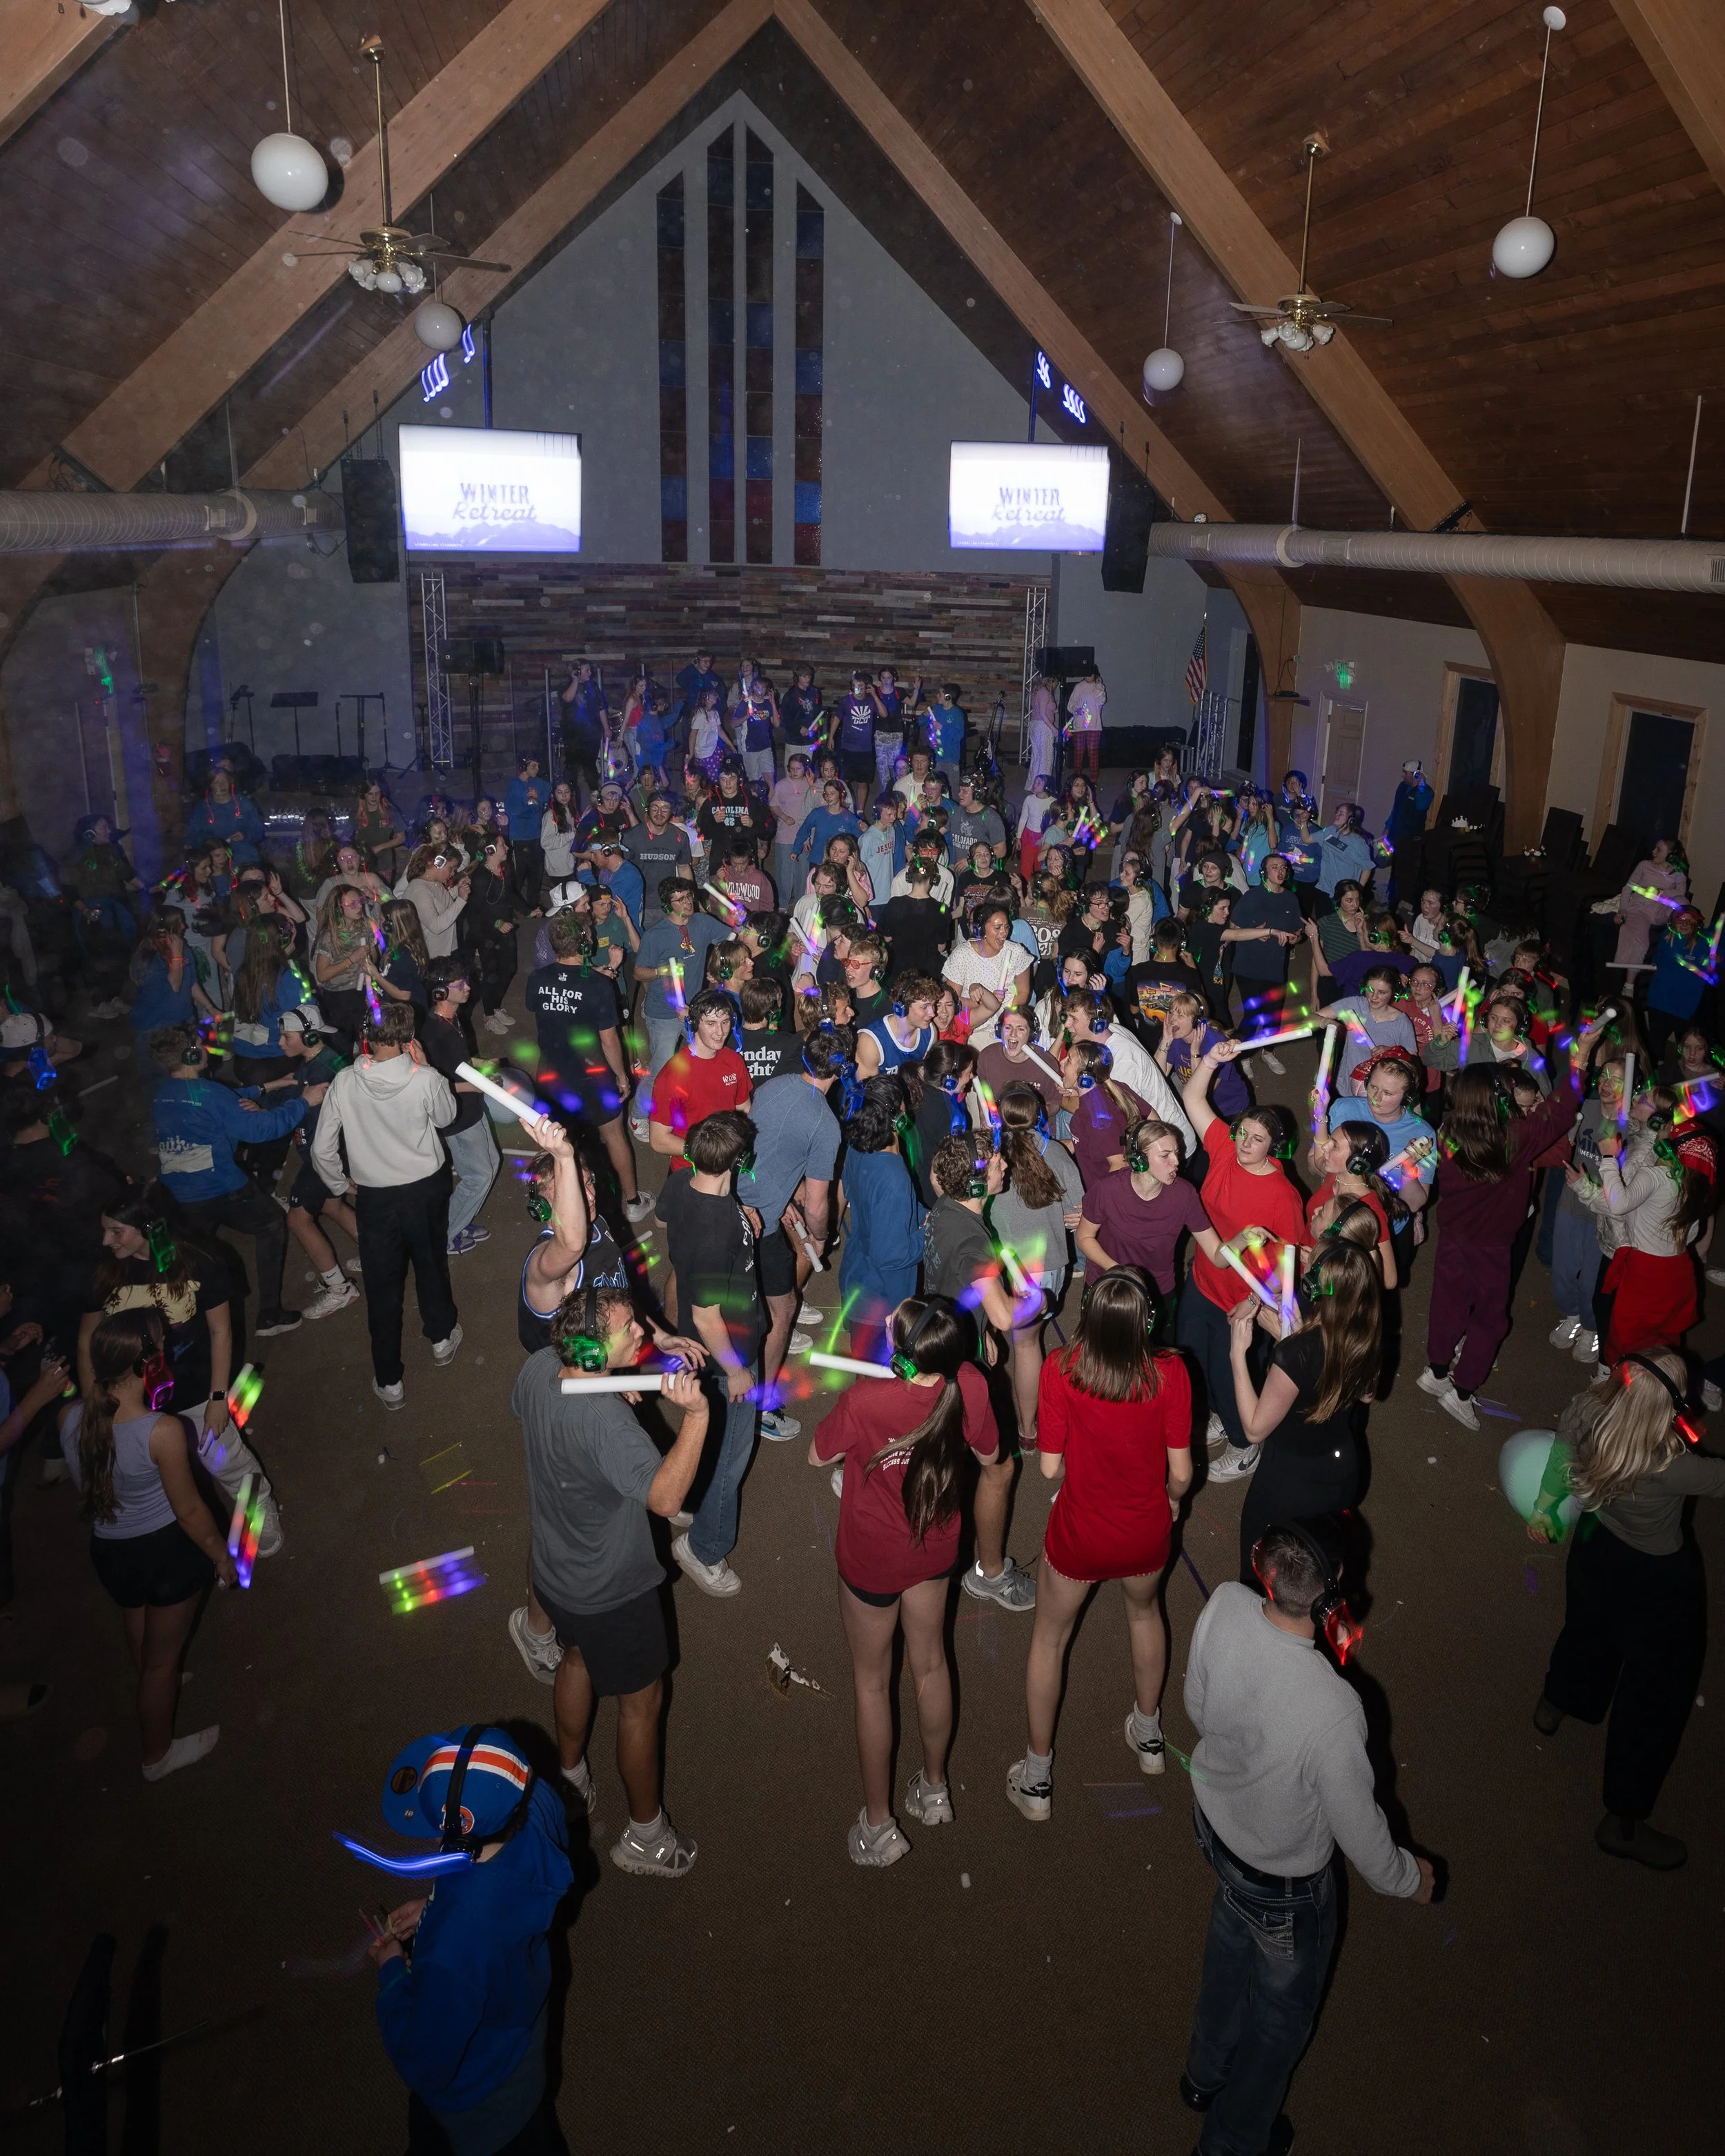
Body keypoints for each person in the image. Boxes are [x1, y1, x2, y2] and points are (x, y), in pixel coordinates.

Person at [1181, 1519, 1434, 2153]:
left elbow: (1197, 1709)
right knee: (1280, 2024)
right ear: (1333, 1590)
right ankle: (1232, 2142)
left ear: (1266, 1569)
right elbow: (1360, 1833)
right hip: (1283, 1886)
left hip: (1216, 1832)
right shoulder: (1335, 1708)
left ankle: (1203, 2075)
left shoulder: (1224, 1604)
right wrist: (1409, 1877)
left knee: (1226, 1952)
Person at [513, 1289, 711, 1877]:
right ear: (593, 1346)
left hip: (554, 1569)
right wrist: (696, 1417)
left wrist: (612, 1377)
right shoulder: (607, 1424)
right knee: (641, 1703)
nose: (641, 1337)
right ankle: (645, 1835)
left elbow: (529, 1411)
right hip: (610, 1591)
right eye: (629, 1330)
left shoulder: (538, 1366)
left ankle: (570, 1775)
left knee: (576, 1658)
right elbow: (667, 1498)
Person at [809, 1296, 999, 1866]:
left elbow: (818, 1456)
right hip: (935, 1547)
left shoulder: (867, 1399)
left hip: (871, 1556)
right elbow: (989, 1454)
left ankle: (879, 1824)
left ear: (905, 1352)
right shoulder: (970, 1384)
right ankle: (935, 1788)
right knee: (931, 1662)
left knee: (872, 1682)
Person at [1005, 1267, 1194, 1820]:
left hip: (1081, 1534)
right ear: (1146, 1322)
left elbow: (1047, 1468)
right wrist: (1174, 1501)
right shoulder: (1171, 1371)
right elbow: (1180, 1471)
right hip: (1145, 1532)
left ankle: (1037, 1778)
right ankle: (1150, 1734)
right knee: (1145, 1615)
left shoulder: (1062, 1369)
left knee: (1049, 1639)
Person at [1528, 1351, 1725, 1870]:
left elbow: (1559, 1454)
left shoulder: (1586, 1410)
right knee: (1657, 1692)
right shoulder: (1674, 1463)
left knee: (1587, 1630)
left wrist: (1545, 1506)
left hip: (1595, 1547)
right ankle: (1622, 1821)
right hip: (1658, 1578)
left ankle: (1558, 1701)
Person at [363, 1725, 575, 2151]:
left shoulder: (455, 1949)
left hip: (481, 2103)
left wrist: (392, 1976)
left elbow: (426, 2060)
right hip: (521, 2035)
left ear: (461, 1837)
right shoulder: (537, 1805)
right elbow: (500, 1901)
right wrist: (435, 1907)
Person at [58, 1309, 234, 1778]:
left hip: (111, 1552)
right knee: (161, 1665)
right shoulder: (162, 1431)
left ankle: (155, 1677)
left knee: (139, 1627)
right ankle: (157, 1755)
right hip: (165, 1553)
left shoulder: (69, 1418)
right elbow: (191, 1511)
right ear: (148, 1365)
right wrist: (221, 1556)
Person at [1419, 1024, 1608, 1430]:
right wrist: (1581, 1056)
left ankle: (1435, 1371)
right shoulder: (1515, 1137)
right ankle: (1463, 1391)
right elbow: (1561, 1107)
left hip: (1452, 1236)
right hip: (1492, 1246)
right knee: (1490, 1319)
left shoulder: (1450, 1129)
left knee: (1447, 1301)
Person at [310, 1000, 462, 1411]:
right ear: (408, 1038)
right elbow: (447, 1117)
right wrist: (427, 1066)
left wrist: (342, 1184)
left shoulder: (343, 1082)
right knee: (431, 1262)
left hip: (375, 1198)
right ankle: (442, 1337)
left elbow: (322, 1149)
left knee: (382, 1286)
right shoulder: (425, 1078)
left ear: (367, 1037)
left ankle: (390, 1379)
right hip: (425, 1190)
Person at [1179, 1040, 1310, 1478]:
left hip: (1240, 1299)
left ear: (1275, 1146)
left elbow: (1289, 1259)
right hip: (1202, 1281)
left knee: (1228, 1369)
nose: (1245, 1144)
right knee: (1196, 1356)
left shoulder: (1281, 1193)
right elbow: (1192, 1098)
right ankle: (1219, 1414)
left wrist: (1259, 1307)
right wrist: (1212, 1061)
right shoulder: (1221, 1146)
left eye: (1258, 1139)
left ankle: (1243, 1444)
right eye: (1243, 1133)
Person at [923, 1132, 1036, 1611]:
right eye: (994, 1165)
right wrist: (1035, 1299)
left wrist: (982, 1331)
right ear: (973, 1179)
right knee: (1000, 1468)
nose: (1004, 1166)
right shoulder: (974, 1240)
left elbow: (933, 1169)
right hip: (958, 1371)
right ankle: (990, 1574)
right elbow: (1009, 1315)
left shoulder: (943, 1204)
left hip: (942, 1339)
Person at [655, 1109, 765, 1596]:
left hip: (701, 1347)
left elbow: (663, 1219)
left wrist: (744, 1224)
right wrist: (738, 1370)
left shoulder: (684, 1185)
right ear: (736, 1162)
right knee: (729, 1455)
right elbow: (705, 1316)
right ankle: (704, 1547)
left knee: (703, 1431)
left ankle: (687, 1493)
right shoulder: (717, 1226)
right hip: (726, 1354)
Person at [147, 1022, 316, 1336]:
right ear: (190, 1053)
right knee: (270, 1224)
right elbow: (262, 1129)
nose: (206, 1049)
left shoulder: (163, 1095)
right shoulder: (209, 1095)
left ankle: (182, 1325)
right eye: (200, 1044)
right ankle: (269, 1315)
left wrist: (272, 1085)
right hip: (222, 1189)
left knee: (190, 1257)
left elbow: (222, 1099)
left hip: (178, 1196)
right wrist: (304, 1101)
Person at [1227, 1242, 1381, 1581]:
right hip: (1342, 1471)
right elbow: (1367, 1394)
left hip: (1291, 1482)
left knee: (1262, 1571)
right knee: (1317, 1565)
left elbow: (1254, 1429)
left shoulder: (1295, 1356)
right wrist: (1294, 1335)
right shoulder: (1364, 1330)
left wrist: (1238, 1354)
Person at [733, 1030, 849, 1437]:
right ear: (843, 1069)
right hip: (759, 1223)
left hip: (731, 1197)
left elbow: (766, 1148)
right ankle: (760, 1408)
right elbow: (818, 1206)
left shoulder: (775, 1085)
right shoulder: (826, 1124)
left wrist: (785, 1193)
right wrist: (820, 1237)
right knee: (781, 1312)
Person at [524, 913, 648, 1223]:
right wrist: (622, 1077)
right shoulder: (598, 985)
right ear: (584, 943)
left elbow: (545, 1013)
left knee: (561, 1143)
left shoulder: (537, 980)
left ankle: (563, 1205)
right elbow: (609, 1042)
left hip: (553, 1076)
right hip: (594, 1077)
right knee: (614, 1136)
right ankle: (633, 1202)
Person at [989, 1084, 1083, 1444]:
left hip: (996, 1264)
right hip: (1043, 1269)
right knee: (1027, 1345)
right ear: (1039, 1117)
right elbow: (1080, 1211)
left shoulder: (990, 1153)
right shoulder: (1056, 1154)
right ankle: (1028, 1431)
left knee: (997, 1332)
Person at [1077, 1116, 1220, 1300]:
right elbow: (1083, 1238)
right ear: (1139, 1159)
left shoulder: (1184, 1195)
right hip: (1108, 1284)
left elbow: (1217, 1255)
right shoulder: (1107, 1189)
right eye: (1165, 1155)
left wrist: (1242, 1241)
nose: (1176, 1161)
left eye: (1176, 1153)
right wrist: (1121, 1273)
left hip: (1158, 1289)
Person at [418, 962, 502, 1258]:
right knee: (477, 1177)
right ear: (441, 992)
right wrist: (476, 1086)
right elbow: (435, 1086)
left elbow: (459, 1063)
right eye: (460, 984)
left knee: (490, 1165)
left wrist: (481, 1063)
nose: (468, 987)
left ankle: (458, 1221)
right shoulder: (434, 1033)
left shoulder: (453, 1020)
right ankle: (445, 1235)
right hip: (457, 1117)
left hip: (471, 1110)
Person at [944, 903, 1032, 1053]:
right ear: (981, 929)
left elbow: (1023, 992)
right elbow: (952, 1000)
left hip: (1005, 1030)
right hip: (974, 1030)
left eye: (1006, 927)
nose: (1004, 933)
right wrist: (978, 1001)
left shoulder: (1016, 952)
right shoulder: (962, 955)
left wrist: (1007, 1017)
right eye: (997, 928)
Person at [1613, 836, 1687, 971]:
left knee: (1683, 902)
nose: (1653, 852)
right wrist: (1622, 909)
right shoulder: (1644, 865)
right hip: (1641, 909)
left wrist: (1661, 892)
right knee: (1640, 943)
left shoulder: (1677, 872)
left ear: (1670, 855)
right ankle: (1628, 984)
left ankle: (1678, 938)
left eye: (1658, 850)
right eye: (1655, 848)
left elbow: (1681, 891)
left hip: (1659, 911)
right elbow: (1628, 887)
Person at [185, 767, 265, 866]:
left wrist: (245, 835)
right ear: (210, 785)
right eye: (217, 782)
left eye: (224, 781)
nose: (222, 785)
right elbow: (193, 836)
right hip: (214, 857)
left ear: (230, 782)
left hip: (242, 853)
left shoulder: (243, 803)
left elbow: (258, 829)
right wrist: (211, 844)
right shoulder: (202, 808)